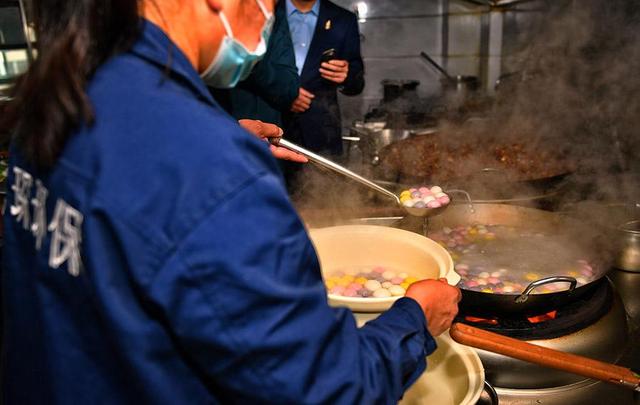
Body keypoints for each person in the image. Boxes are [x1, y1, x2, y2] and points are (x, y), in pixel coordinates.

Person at [0, 0, 460, 404]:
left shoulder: (59, 96)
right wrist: (415, 320)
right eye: (268, 4)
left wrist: (217, 144)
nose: (268, 22)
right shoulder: (212, 169)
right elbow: (327, 390)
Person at [282, 0, 365, 156]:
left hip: (321, 133)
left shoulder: (343, 19)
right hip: (270, 127)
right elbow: (247, 68)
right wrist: (282, 92)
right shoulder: (267, 12)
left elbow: (357, 81)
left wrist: (346, 76)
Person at [210, 0, 300, 128]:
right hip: (213, 125)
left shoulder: (273, 15)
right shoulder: (208, 17)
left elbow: (289, 89)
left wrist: (251, 62)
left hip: (263, 130)